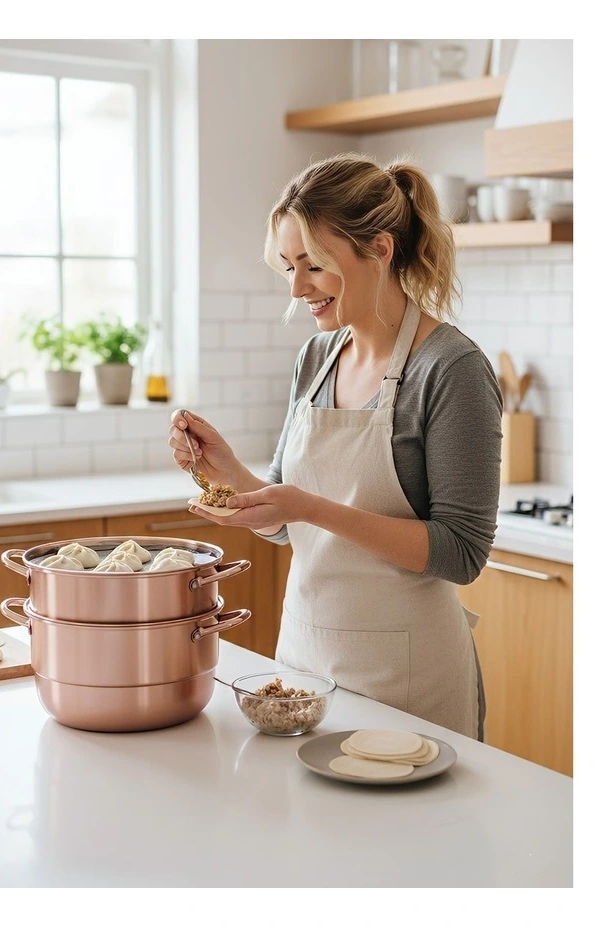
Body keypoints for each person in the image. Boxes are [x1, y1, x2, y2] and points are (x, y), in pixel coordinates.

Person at [168, 152, 502, 740]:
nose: (297, 288)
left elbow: (461, 553)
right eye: (288, 266)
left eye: (315, 266)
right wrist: (229, 470)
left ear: (379, 249)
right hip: (303, 665)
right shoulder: (317, 360)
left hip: (409, 679)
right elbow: (287, 522)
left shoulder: (450, 369)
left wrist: (307, 507)